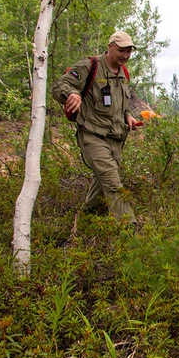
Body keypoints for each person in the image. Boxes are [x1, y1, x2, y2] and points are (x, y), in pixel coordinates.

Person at [51, 31, 141, 224]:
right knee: (113, 184)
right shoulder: (89, 66)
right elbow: (60, 85)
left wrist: (128, 117)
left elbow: (120, 104)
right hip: (93, 136)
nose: (125, 55)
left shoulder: (124, 74)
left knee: (103, 183)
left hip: (116, 139)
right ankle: (131, 232)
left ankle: (86, 220)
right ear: (110, 47)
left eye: (128, 51)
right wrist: (72, 94)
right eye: (121, 50)